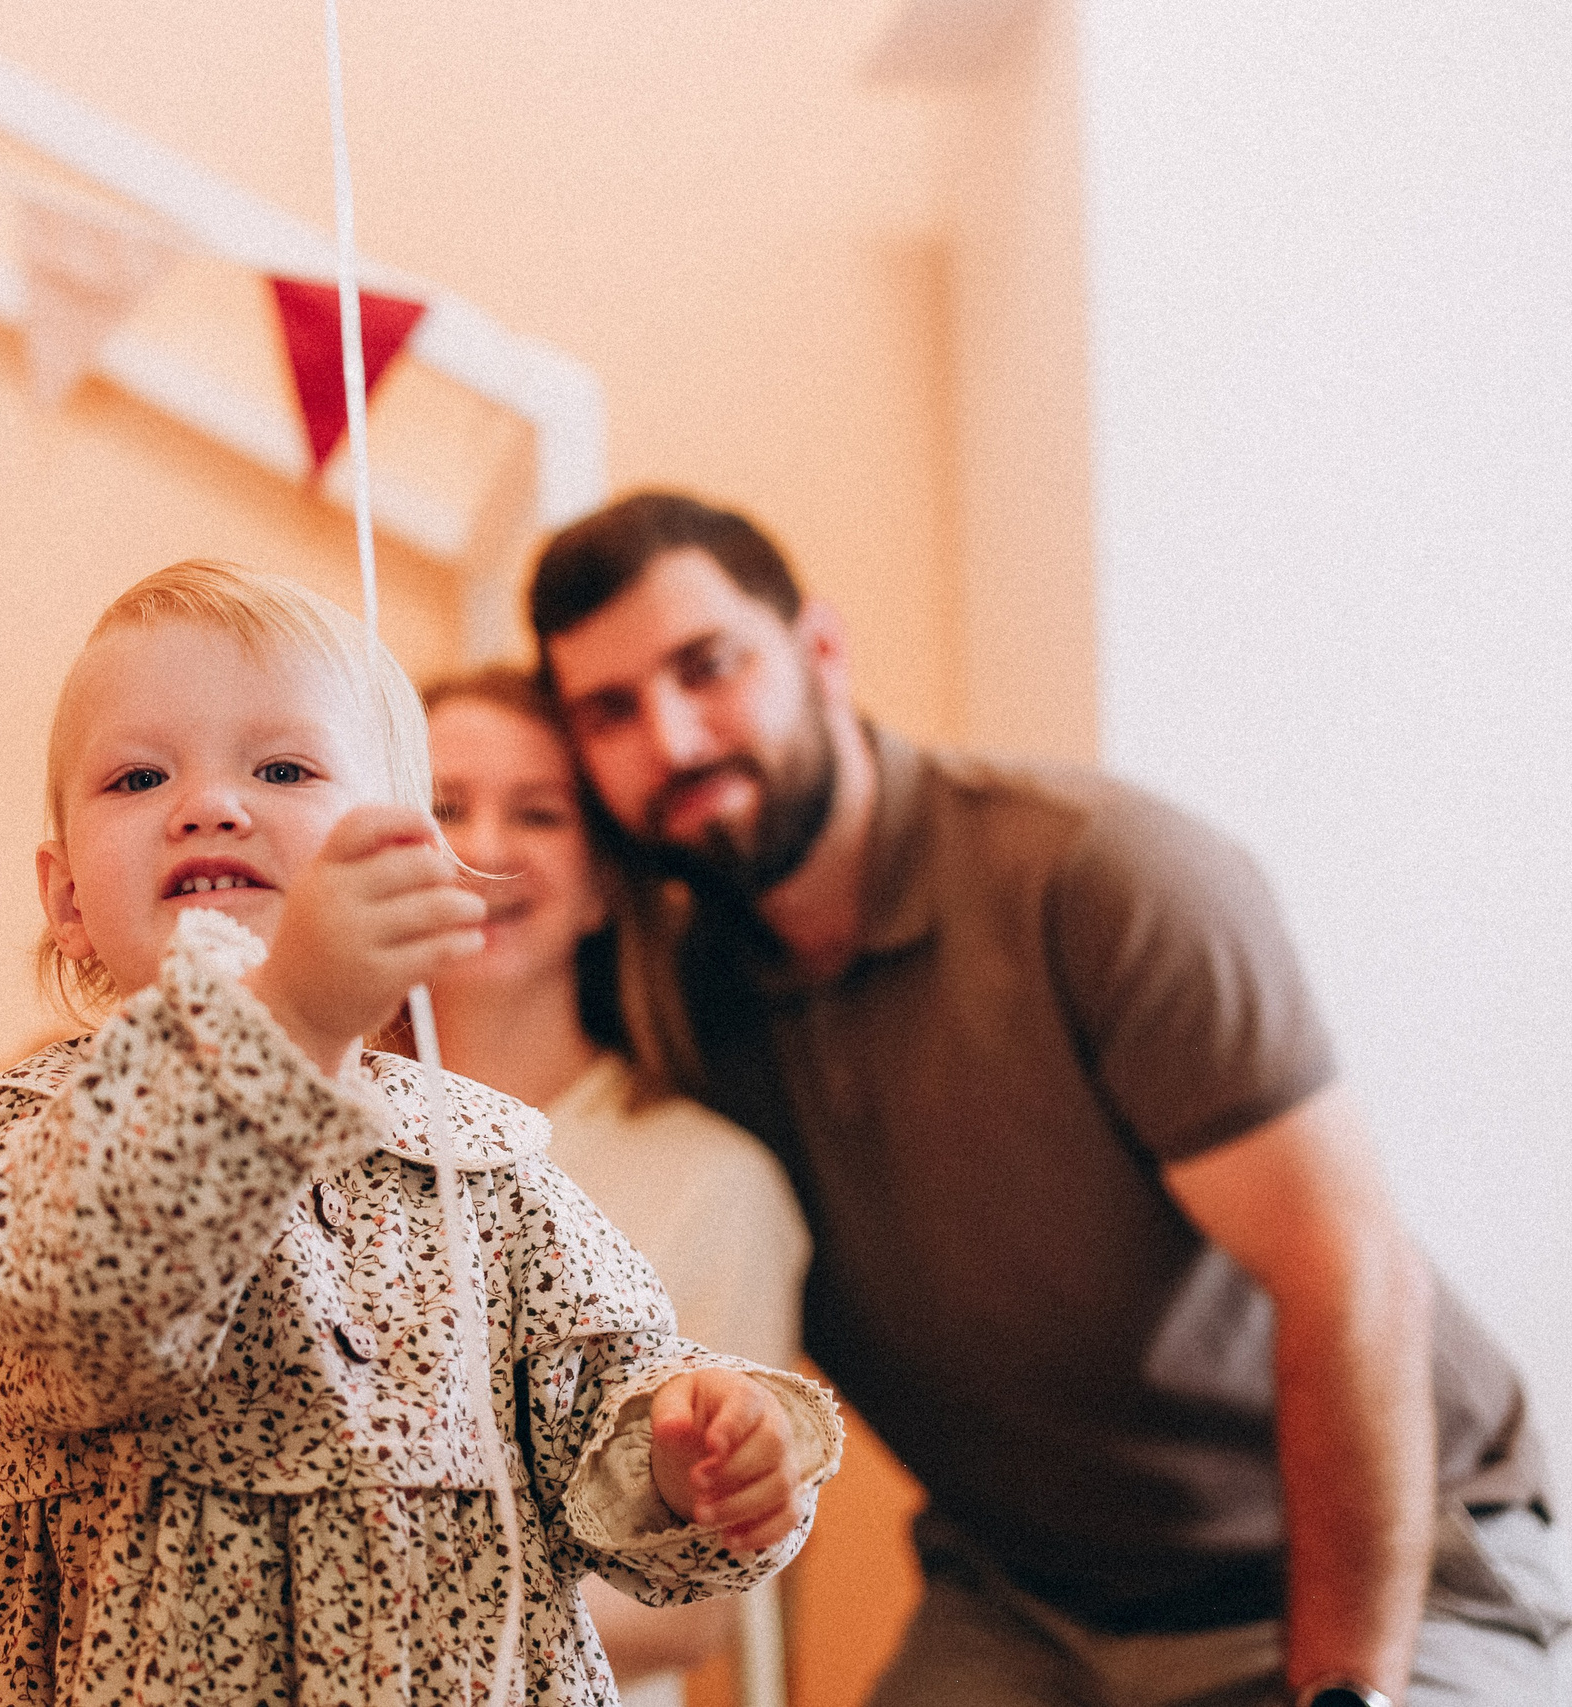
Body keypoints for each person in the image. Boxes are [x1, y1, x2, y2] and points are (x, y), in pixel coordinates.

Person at [525, 490, 1566, 1707]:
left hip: (1381, 1576)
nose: (673, 740)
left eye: (708, 668)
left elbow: (1350, 1275)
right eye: (609, 712)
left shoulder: (1097, 875)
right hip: (1025, 1608)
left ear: (820, 649)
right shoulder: (675, 1001)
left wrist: (1345, 1691)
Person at [0, 559, 841, 1705]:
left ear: (404, 859)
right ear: (68, 902)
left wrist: (676, 1453)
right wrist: (289, 1013)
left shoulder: (486, 1157)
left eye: (282, 768)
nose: (209, 805)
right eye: (138, 777)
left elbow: (592, 1405)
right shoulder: (54, 1121)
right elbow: (86, 1313)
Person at [420, 664, 811, 1707]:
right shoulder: (295, 1141)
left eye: (538, 814)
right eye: (443, 807)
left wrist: (365, 1612)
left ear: (600, 883)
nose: (485, 846)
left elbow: (691, 1605)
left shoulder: (716, 1183)